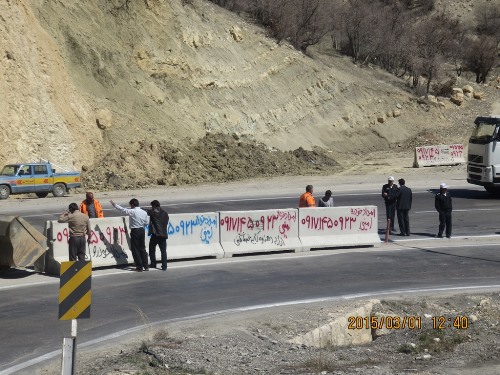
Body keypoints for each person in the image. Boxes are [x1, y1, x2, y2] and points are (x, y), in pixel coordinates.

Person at [110, 198, 149, 271]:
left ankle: (139, 266)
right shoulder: (144, 212)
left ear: (132, 205)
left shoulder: (133, 211)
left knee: (135, 249)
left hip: (135, 231)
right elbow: (146, 222)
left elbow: (122, 210)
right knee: (142, 248)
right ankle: (146, 266)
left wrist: (114, 204)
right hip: (142, 230)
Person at [145, 200, 169, 271]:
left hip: (156, 234)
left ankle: (153, 263)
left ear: (154, 206)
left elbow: (146, 211)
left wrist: (137, 208)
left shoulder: (153, 212)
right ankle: (164, 266)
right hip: (164, 234)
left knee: (152, 249)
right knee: (163, 251)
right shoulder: (165, 213)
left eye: (152, 206)